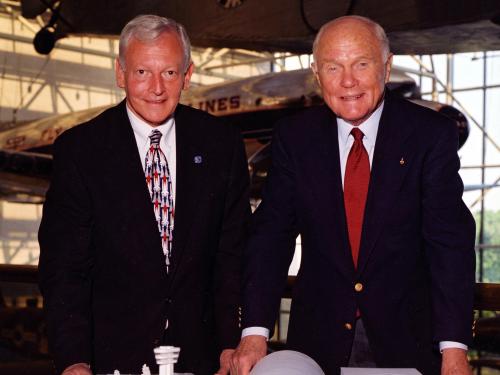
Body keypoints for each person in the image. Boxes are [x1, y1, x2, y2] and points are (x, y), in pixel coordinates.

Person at [231, 15, 475, 375]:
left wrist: (453, 348)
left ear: (386, 66)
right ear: (317, 74)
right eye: (333, 67)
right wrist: (254, 333)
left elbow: (449, 244)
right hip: (318, 345)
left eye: (361, 64)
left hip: (409, 346)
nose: (348, 81)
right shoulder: (294, 138)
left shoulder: (430, 135)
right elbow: (271, 237)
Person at [38, 14, 250, 375]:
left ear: (188, 75)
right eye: (141, 73)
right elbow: (64, 269)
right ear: (120, 74)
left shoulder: (221, 145)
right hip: (110, 359)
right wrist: (73, 360)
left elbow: (233, 255)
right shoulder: (80, 150)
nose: (156, 88)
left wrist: (232, 343)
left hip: (205, 359)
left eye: (169, 73)